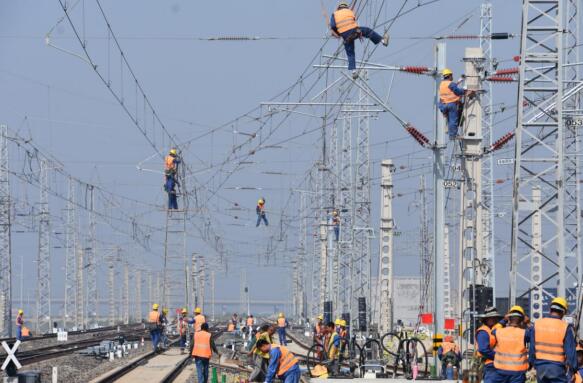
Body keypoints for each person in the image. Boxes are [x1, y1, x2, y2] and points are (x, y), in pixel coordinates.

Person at [330, 1, 389, 78]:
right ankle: (383, 41)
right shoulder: (349, 11)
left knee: (350, 53)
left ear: (338, 7)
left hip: (345, 36)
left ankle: (353, 72)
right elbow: (353, 20)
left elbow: (333, 26)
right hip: (354, 31)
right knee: (367, 31)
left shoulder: (334, 14)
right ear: (346, 7)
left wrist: (338, 34)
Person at [528, 297, 577, 383]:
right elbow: (570, 353)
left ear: (550, 310)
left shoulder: (537, 324)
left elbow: (532, 349)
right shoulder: (565, 327)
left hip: (540, 367)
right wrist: (573, 370)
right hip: (557, 368)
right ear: (563, 312)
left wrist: (532, 364)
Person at [492, 306, 529, 383]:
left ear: (509, 318)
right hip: (517, 373)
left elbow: (493, 330)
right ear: (522, 320)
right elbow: (535, 334)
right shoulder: (524, 333)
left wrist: (504, 320)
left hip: (500, 371)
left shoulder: (499, 332)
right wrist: (528, 323)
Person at [438, 68, 474, 140]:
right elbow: (457, 91)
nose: (452, 77)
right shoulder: (451, 84)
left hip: (443, 105)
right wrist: (465, 91)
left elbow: (450, 90)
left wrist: (459, 81)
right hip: (451, 105)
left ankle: (451, 133)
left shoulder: (442, 84)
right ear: (450, 76)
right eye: (452, 75)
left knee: (449, 120)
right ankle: (453, 136)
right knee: (453, 120)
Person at [476, 307, 503, 383]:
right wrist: (499, 356)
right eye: (491, 318)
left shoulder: (498, 330)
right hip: (490, 365)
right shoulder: (483, 332)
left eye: (495, 318)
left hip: (501, 364)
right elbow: (483, 350)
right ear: (486, 319)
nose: (493, 319)